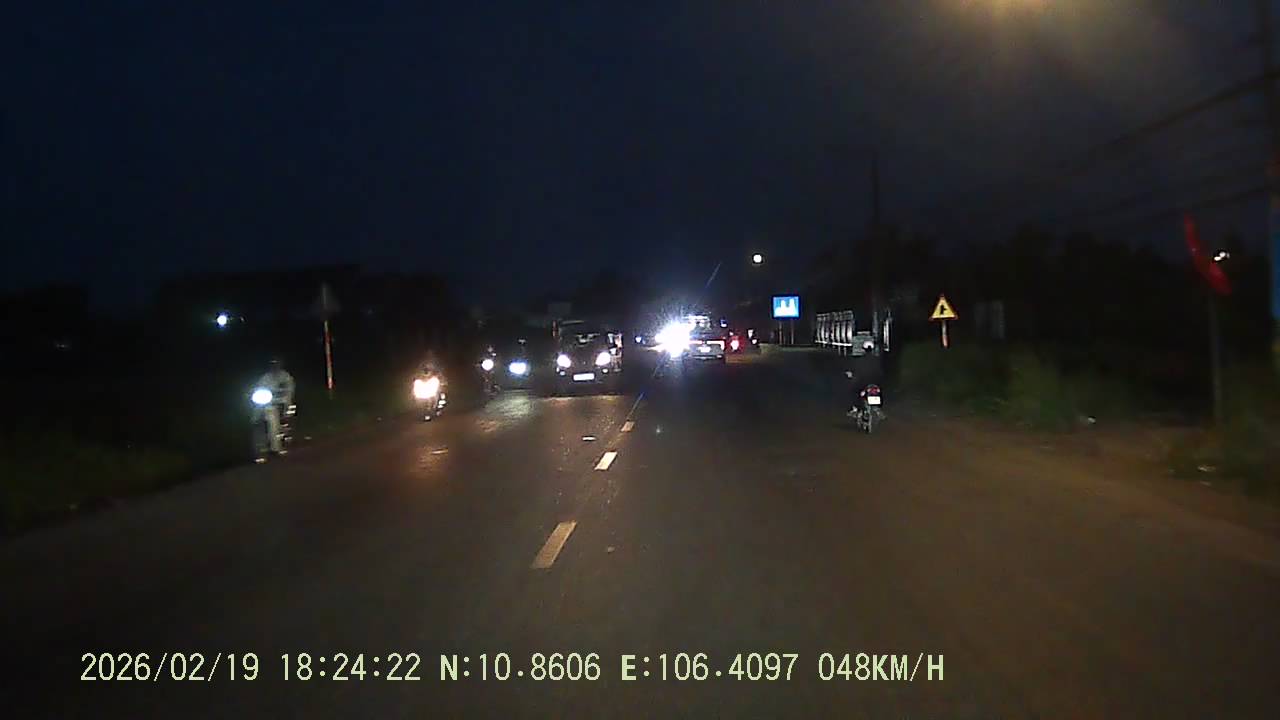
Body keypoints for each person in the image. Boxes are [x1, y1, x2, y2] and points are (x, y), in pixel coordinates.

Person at [256, 358, 296, 454]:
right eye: (273, 364)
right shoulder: (265, 377)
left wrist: (284, 396)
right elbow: (259, 387)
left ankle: (280, 443)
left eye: (276, 364)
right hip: (270, 403)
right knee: (260, 419)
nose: (275, 367)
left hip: (283, 403)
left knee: (284, 419)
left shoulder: (285, 376)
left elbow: (290, 388)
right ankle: (268, 446)